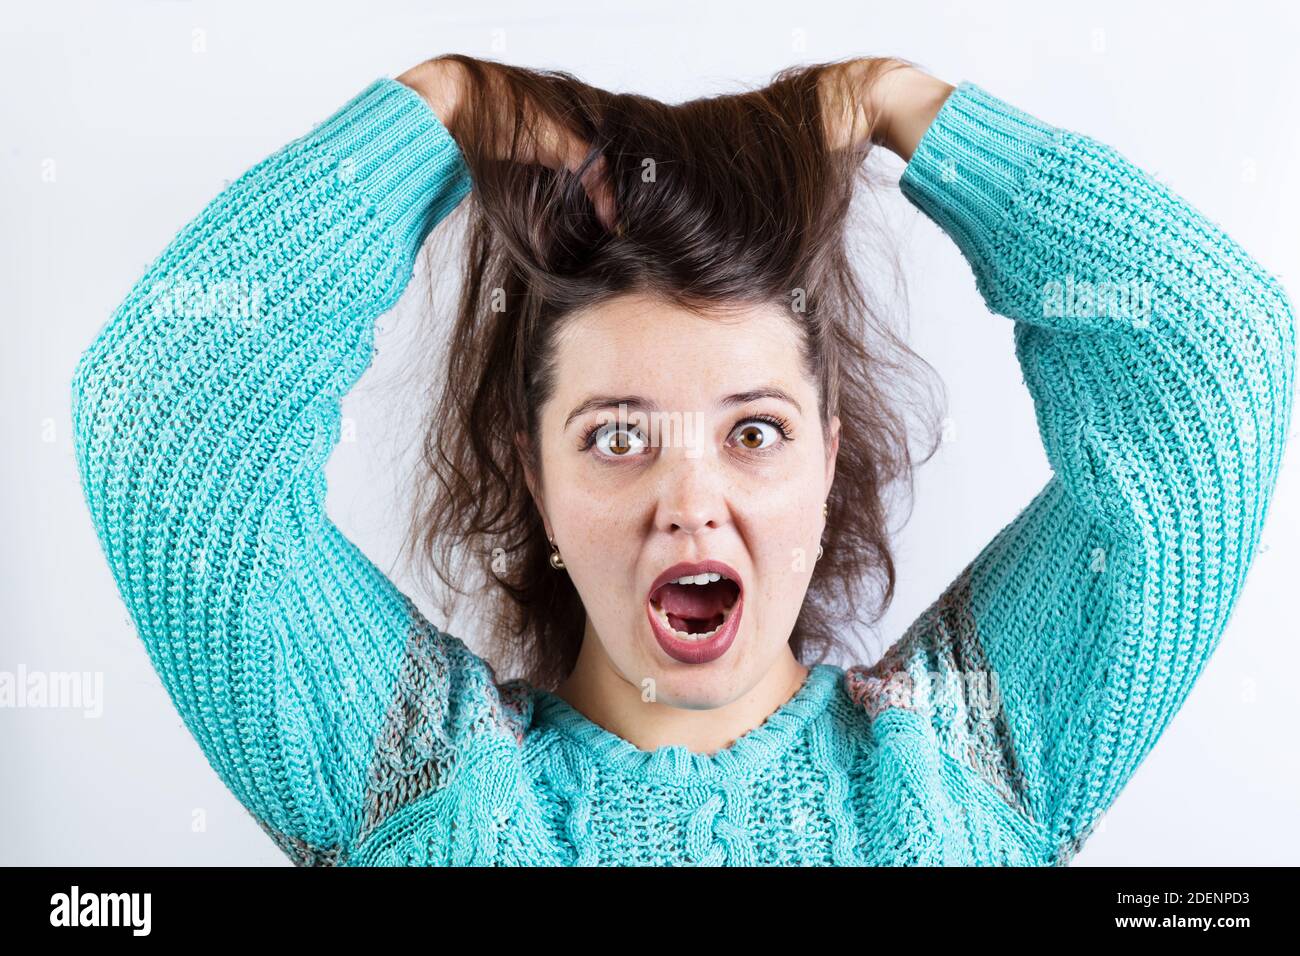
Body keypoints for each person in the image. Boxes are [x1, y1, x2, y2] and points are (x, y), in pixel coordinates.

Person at [70, 54, 1295, 866]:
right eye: (615, 435)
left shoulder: (971, 749)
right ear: (535, 478)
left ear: (826, 456)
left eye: (751, 430)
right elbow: (165, 413)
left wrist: (900, 107)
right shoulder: (421, 775)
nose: (689, 501)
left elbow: (1218, 358)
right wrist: (439, 112)